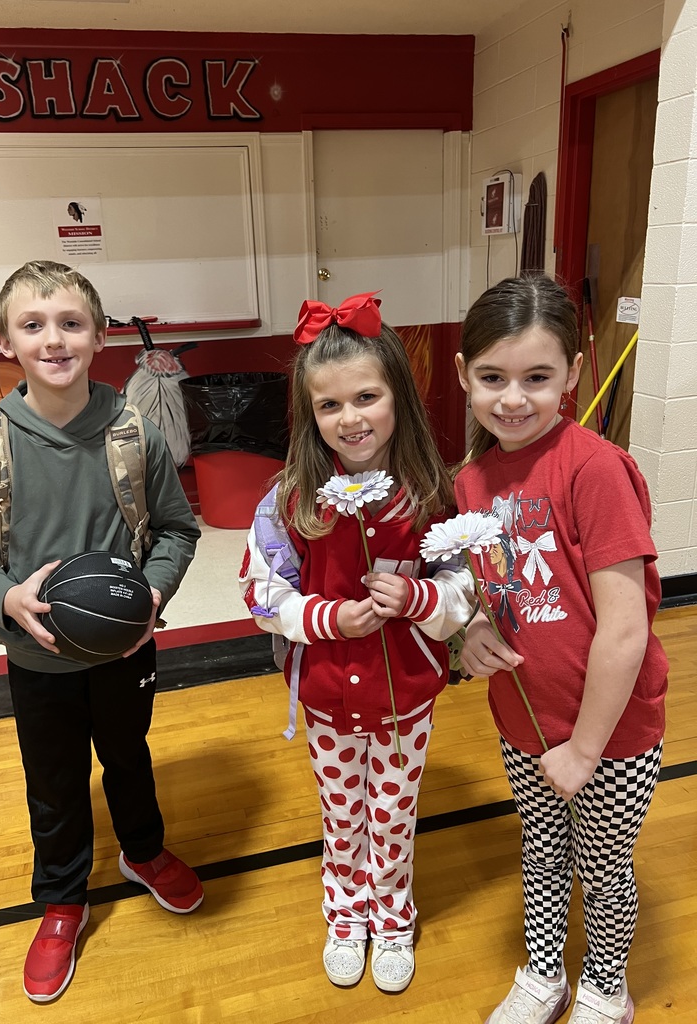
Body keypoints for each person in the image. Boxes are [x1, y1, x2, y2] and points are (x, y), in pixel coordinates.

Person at [0, 260, 204, 1004]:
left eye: (70, 323)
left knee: (128, 755)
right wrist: (7, 597)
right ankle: (62, 900)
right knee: (53, 780)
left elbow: (177, 532)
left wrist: (150, 593)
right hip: (37, 657)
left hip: (126, 648)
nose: (53, 340)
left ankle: (143, 852)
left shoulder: (136, 435)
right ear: (6, 342)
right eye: (33, 325)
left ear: (99, 336)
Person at [239, 292, 475, 993]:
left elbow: (463, 585)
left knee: (393, 816)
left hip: (406, 700)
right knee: (341, 813)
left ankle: (392, 914)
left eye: (367, 396)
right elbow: (261, 595)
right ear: (310, 415)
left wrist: (421, 598)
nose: (351, 418)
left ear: (398, 395)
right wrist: (326, 619)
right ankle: (345, 913)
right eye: (330, 405)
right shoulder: (290, 500)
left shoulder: (432, 494)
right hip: (326, 702)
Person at [453, 275, 668, 1024]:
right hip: (523, 719)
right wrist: (473, 630)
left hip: (609, 735)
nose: (514, 398)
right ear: (463, 376)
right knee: (542, 851)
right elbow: (494, 591)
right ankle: (545, 975)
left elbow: (625, 628)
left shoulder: (595, 468)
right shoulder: (472, 482)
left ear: (573, 374)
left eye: (537, 378)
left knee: (603, 870)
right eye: (493, 378)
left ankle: (607, 987)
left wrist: (584, 748)